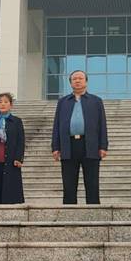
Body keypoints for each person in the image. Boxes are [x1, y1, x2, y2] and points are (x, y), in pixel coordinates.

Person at [51, 70, 109, 204]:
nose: (77, 81)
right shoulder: (63, 102)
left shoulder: (96, 101)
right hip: (68, 145)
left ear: (86, 82)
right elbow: (57, 125)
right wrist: (55, 147)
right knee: (69, 184)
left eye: (80, 78)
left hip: (90, 145)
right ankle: (69, 212)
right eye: (74, 79)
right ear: (70, 83)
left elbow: (102, 124)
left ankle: (94, 212)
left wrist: (103, 146)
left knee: (92, 183)